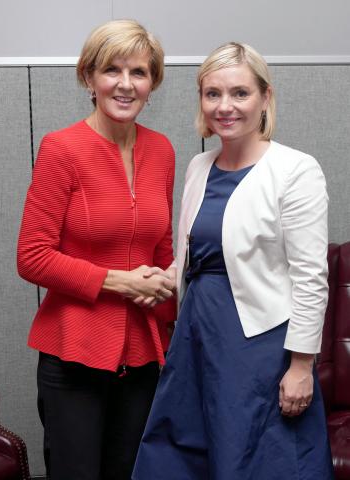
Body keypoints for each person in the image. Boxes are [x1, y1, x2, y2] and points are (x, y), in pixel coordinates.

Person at [132, 42, 334, 479]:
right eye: (213, 94)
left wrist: (301, 366)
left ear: (265, 97)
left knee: (256, 459)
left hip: (260, 346)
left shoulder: (295, 170)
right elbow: (203, 258)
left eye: (240, 93)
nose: (225, 106)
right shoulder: (199, 166)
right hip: (196, 338)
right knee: (183, 455)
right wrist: (164, 277)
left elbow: (311, 278)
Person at [17, 19, 176, 480]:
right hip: (75, 353)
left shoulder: (162, 150)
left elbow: (162, 246)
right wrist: (119, 281)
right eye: (112, 70)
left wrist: (163, 284)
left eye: (140, 72)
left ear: (153, 82)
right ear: (89, 78)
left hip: (145, 354)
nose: (125, 84)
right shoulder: (61, 149)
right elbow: (32, 256)